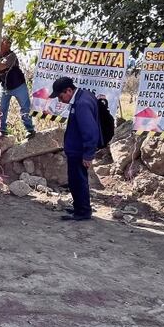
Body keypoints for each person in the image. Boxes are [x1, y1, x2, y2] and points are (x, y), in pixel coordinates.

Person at [51, 76, 100, 221]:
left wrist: (88, 155)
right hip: (77, 149)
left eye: (61, 97)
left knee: (78, 181)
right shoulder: (82, 97)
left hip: (79, 151)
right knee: (76, 180)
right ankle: (79, 207)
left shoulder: (82, 103)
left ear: (69, 90)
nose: (60, 101)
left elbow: (90, 131)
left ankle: (83, 212)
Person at [0, 36, 37, 137]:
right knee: (1, 109)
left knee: (25, 108)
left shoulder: (11, 56)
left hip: (19, 86)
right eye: (6, 42)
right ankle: (1, 130)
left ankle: (30, 130)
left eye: (9, 43)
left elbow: (0, 67)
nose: (8, 44)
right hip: (5, 87)